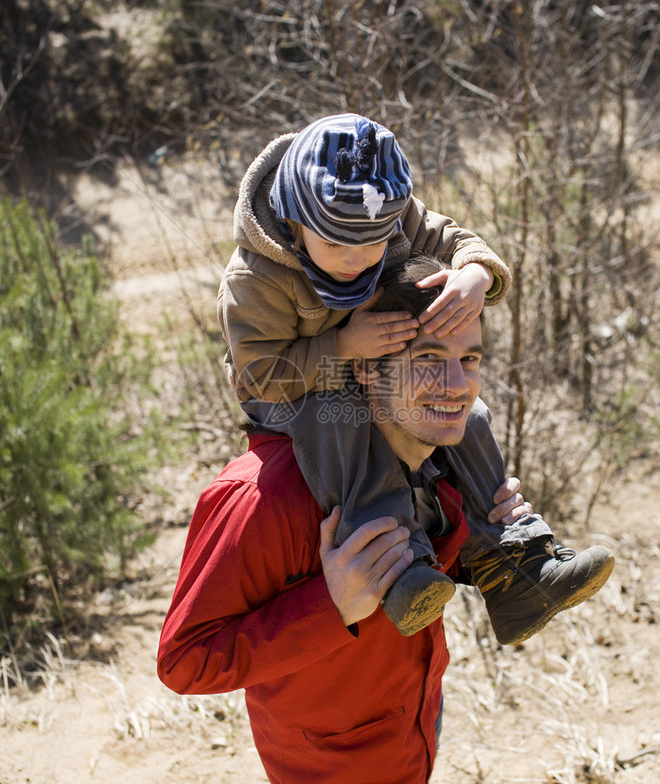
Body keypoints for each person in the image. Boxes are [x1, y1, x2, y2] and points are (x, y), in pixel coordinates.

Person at [159, 254, 613, 784]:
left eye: (469, 359)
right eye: (426, 357)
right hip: (327, 767)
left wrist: (484, 543)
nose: (456, 384)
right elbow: (184, 660)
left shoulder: (440, 459)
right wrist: (330, 607)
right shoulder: (267, 496)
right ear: (363, 366)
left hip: (416, 729)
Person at [217, 112, 613, 642]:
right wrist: (341, 345)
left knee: (466, 414)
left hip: (377, 366)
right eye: (336, 246)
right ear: (294, 219)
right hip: (290, 387)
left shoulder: (385, 211)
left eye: (372, 246)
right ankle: (399, 563)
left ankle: (515, 561)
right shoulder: (256, 276)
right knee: (341, 417)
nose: (357, 261)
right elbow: (259, 374)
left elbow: (451, 237)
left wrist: (476, 271)